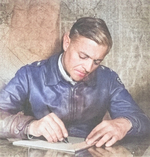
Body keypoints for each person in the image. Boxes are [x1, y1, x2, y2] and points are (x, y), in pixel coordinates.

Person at [0, 17, 150, 148]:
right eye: (83, 56)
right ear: (66, 42)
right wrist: (30, 126)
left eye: (97, 61)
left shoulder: (108, 79)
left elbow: (143, 121)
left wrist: (125, 123)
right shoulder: (30, 75)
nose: (88, 68)